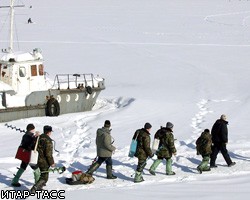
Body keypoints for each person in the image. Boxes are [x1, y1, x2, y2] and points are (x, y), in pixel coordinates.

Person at [30, 125, 55, 193]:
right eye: (50, 132)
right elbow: (48, 154)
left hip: (36, 159)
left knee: (41, 174)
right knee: (44, 177)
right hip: (44, 161)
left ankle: (39, 188)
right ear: (49, 132)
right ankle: (34, 188)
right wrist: (52, 163)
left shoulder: (39, 137)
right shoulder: (48, 141)